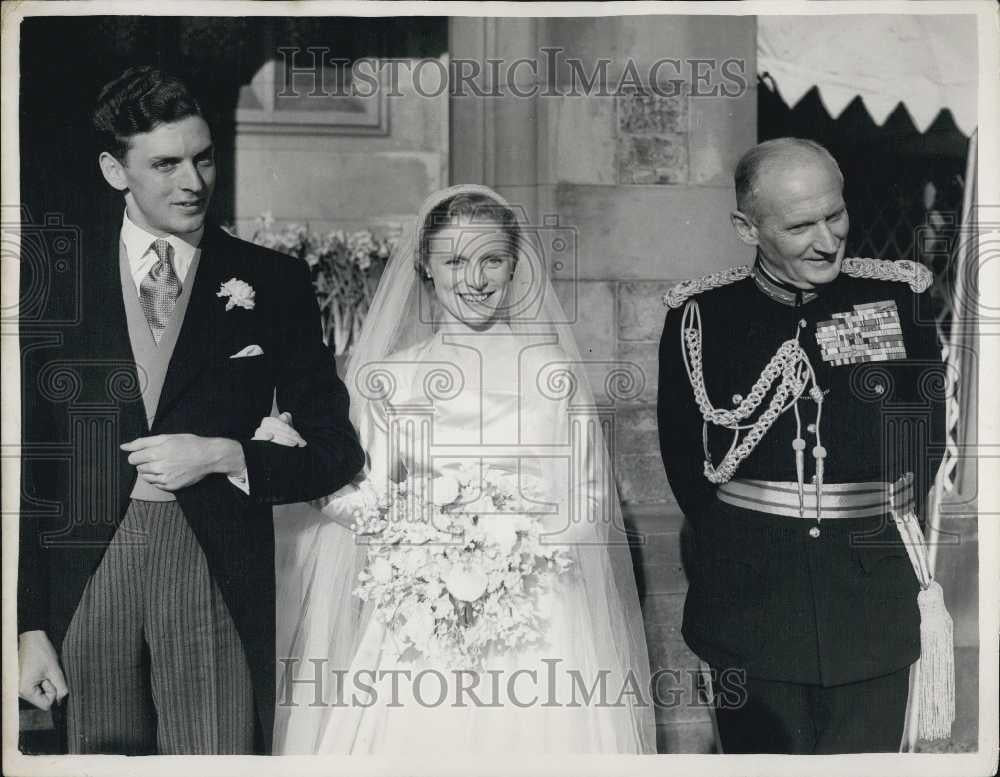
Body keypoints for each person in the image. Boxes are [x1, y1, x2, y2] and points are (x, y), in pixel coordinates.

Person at [17, 66, 364, 755]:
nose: (194, 181)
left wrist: (225, 454)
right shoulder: (53, 282)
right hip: (86, 575)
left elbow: (336, 450)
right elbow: (27, 468)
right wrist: (27, 628)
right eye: (166, 163)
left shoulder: (273, 282)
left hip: (214, 570)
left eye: (203, 158)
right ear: (116, 171)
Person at [263, 185, 656, 754]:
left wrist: (514, 555)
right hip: (422, 622)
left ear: (514, 265)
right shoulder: (391, 379)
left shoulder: (551, 374)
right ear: (425, 265)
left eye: (492, 259)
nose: (474, 280)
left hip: (538, 619)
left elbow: (588, 500)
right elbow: (363, 501)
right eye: (454, 261)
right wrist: (422, 546)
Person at [657, 138, 948, 754]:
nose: (827, 240)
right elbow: (688, 464)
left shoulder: (900, 299)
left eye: (834, 215)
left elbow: (923, 443)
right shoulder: (702, 317)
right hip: (751, 605)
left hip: (871, 599)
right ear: (746, 227)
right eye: (799, 225)